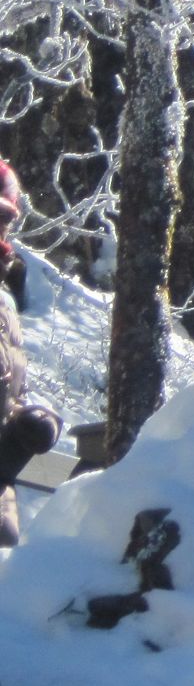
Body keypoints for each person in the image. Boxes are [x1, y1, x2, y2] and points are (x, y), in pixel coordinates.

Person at [0, 158, 62, 546]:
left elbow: (8, 401)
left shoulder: (4, 306)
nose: (5, 231)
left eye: (8, 219)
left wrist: (31, 423)